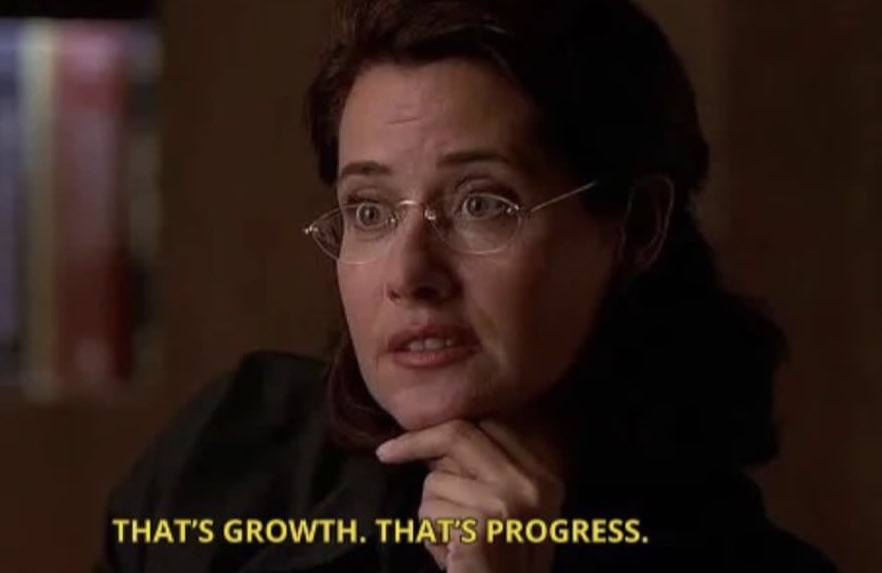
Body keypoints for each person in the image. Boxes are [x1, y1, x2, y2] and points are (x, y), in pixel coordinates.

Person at [96, 0, 839, 571]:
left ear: (636, 227)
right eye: (369, 210)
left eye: (482, 203)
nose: (408, 275)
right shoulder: (229, 458)